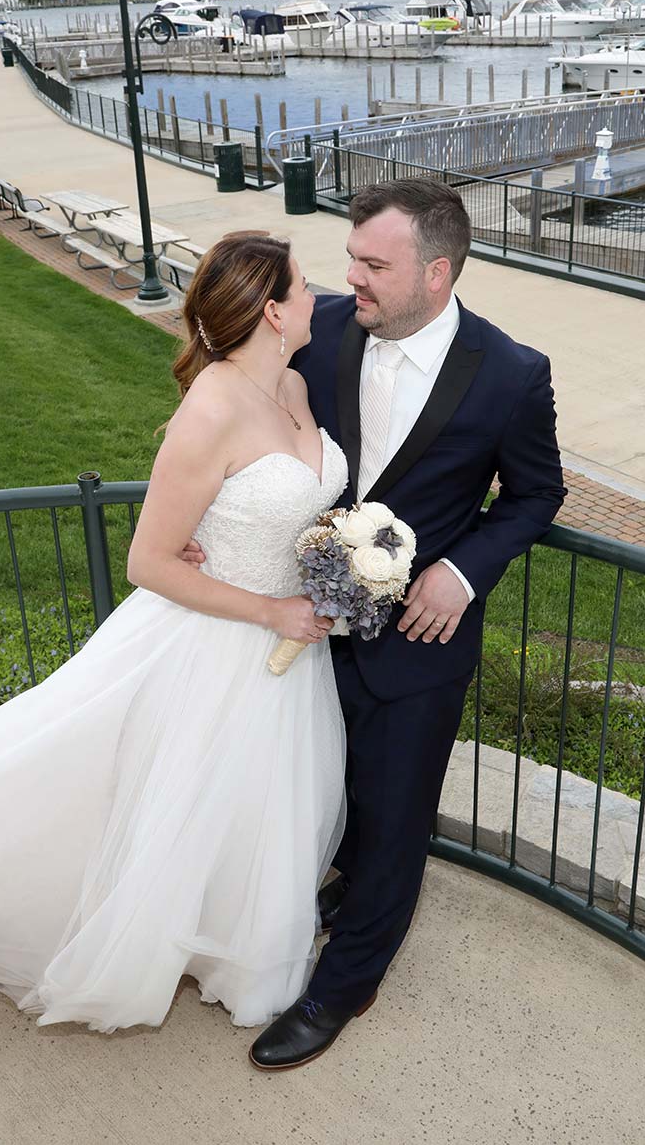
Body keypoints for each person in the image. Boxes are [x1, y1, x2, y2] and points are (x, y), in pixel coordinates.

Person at [0, 231, 348, 1034]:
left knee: (251, 808)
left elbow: (298, 505)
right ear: (275, 312)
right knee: (149, 800)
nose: (320, 297)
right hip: (215, 644)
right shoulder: (211, 406)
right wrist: (271, 609)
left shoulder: (299, 392)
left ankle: (229, 950)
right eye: (307, 286)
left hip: (288, 652)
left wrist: (337, 567)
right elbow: (148, 560)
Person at [237, 178, 566, 1068]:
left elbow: (537, 495)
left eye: (373, 265)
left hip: (421, 647)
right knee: (321, 787)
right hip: (307, 627)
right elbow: (245, 416)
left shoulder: (510, 374)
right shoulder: (326, 329)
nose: (353, 280)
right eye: (350, 260)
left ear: (437, 273)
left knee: (396, 822)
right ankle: (341, 885)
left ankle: (344, 986)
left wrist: (465, 571)